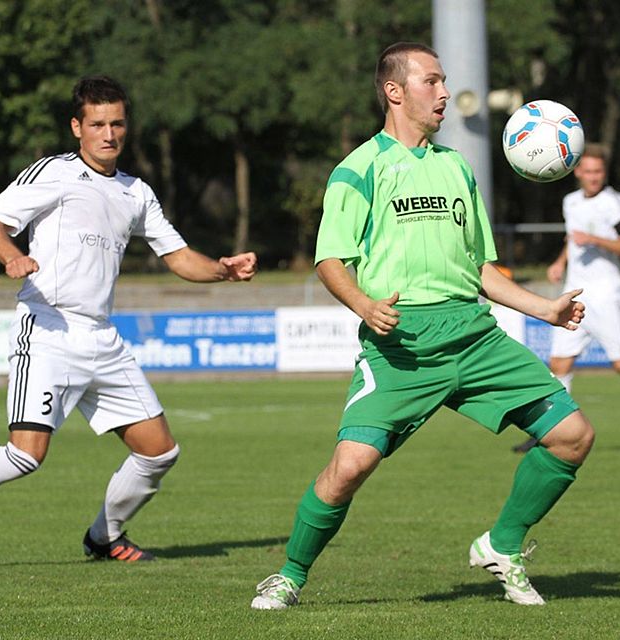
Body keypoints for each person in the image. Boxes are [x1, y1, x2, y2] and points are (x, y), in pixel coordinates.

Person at [250, 42, 594, 609]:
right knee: (349, 467)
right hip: (401, 344)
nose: (442, 94)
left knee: (572, 436)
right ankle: (289, 575)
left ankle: (501, 545)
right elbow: (330, 260)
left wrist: (545, 308)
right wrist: (363, 305)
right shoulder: (359, 168)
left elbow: (481, 268)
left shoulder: (455, 165)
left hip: (474, 335)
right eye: (431, 82)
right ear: (394, 91)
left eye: (442, 81)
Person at [0, 75, 257, 570]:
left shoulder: (136, 192)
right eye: (98, 124)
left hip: (102, 337)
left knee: (159, 453)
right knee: (26, 455)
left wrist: (221, 270)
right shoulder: (53, 173)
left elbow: (177, 257)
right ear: (77, 127)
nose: (109, 134)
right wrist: (11, 257)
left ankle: (105, 536)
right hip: (48, 330)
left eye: (118, 124)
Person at [512, 144, 620, 455]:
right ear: (577, 172)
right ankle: (549, 430)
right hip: (575, 294)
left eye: (598, 171)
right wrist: (561, 260)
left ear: (604, 173)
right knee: (560, 363)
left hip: (605, 295)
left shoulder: (614, 204)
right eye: (587, 171)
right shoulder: (570, 201)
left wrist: (596, 240)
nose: (592, 177)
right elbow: (572, 239)